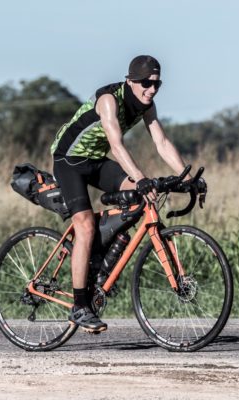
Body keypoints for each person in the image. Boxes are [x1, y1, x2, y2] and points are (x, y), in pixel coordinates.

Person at [50, 55, 191, 333]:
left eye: (157, 84)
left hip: (96, 162)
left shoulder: (146, 106)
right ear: (130, 81)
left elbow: (162, 142)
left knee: (142, 198)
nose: (152, 89)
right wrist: (140, 178)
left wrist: (187, 178)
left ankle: (100, 258)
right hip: (69, 160)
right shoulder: (109, 100)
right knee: (85, 225)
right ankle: (79, 306)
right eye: (146, 83)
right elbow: (116, 145)